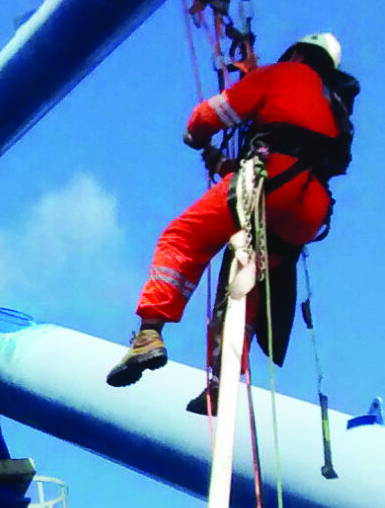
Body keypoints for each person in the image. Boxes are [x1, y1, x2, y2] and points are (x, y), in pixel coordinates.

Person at [107, 33, 358, 388]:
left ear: (297, 54)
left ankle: (149, 331)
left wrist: (196, 136)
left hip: (268, 183)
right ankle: (223, 376)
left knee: (182, 238)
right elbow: (296, 148)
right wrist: (225, 165)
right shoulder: (336, 106)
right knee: (246, 283)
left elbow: (210, 116)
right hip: (308, 209)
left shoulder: (283, 74)